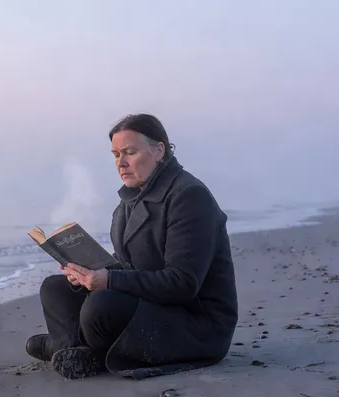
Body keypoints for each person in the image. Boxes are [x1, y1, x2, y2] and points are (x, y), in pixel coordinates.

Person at [25, 113, 238, 380]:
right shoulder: (128, 202)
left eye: (130, 152)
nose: (121, 163)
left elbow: (182, 284)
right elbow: (126, 264)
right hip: (149, 304)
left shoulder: (189, 197)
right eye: (115, 154)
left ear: (158, 150)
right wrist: (85, 274)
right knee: (55, 288)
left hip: (193, 323)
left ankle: (65, 345)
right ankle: (75, 352)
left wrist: (108, 281)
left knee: (101, 306)